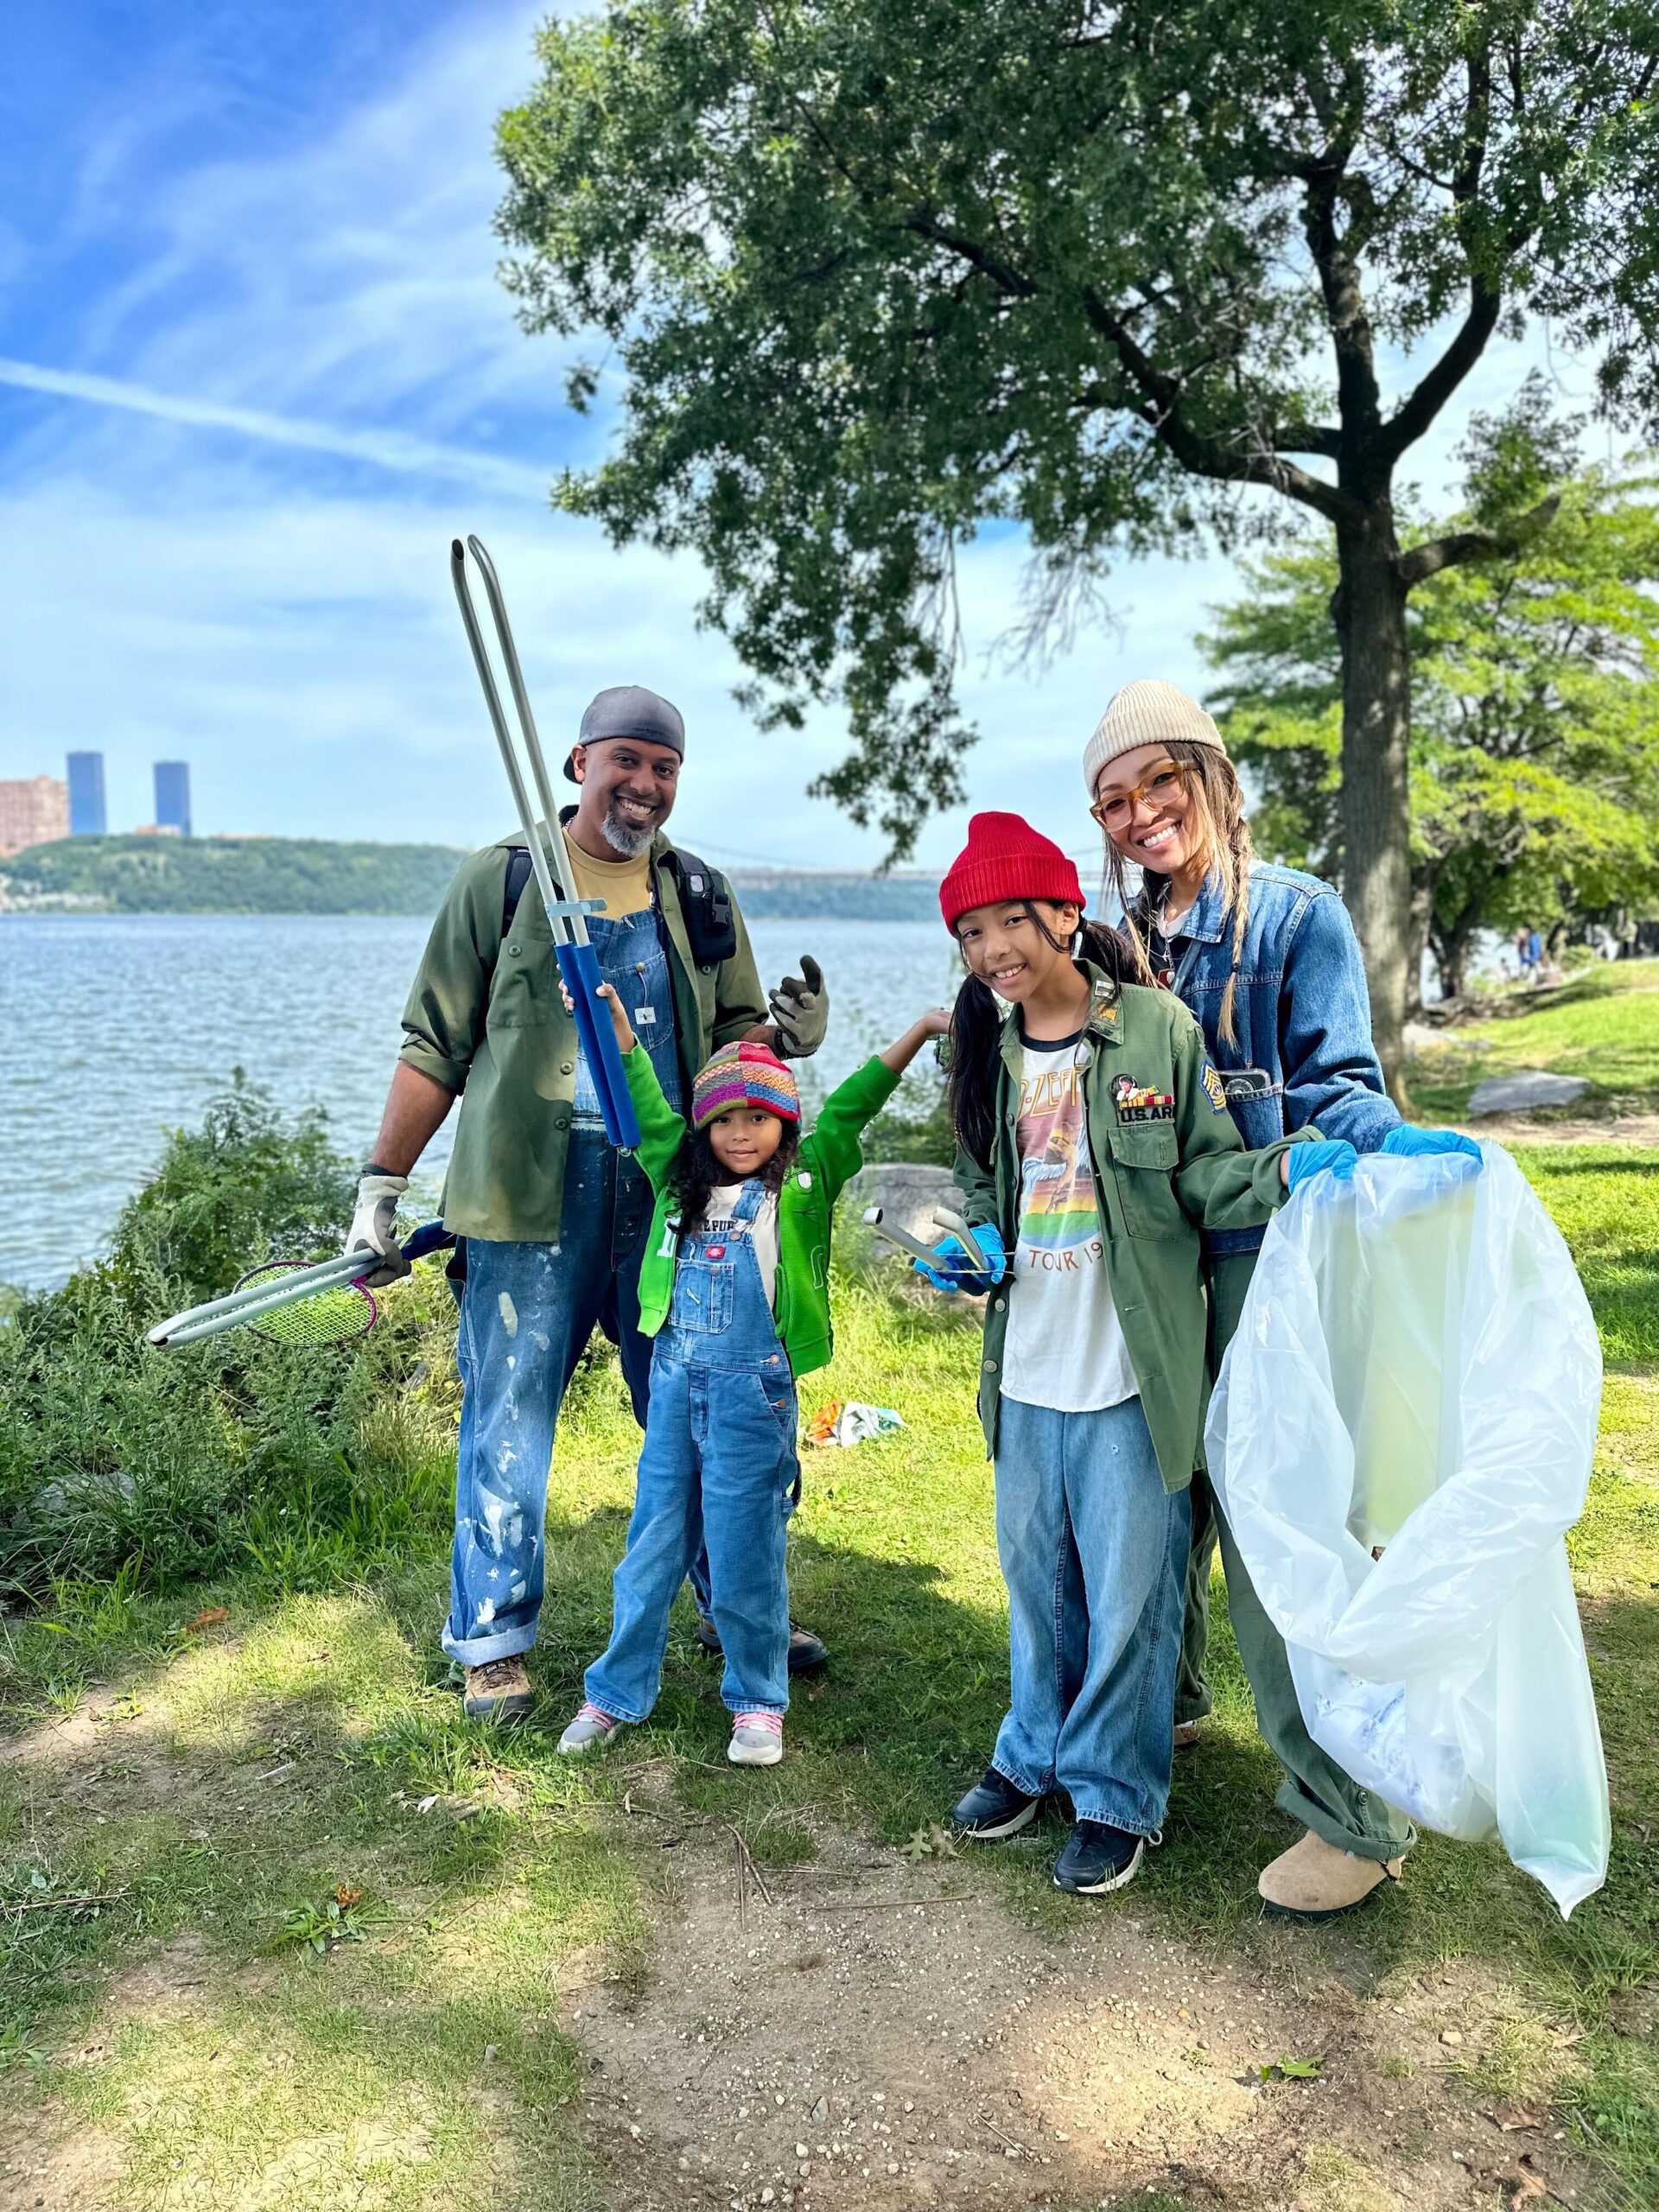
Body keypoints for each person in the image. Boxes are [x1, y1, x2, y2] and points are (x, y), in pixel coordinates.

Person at [346, 684, 830, 1722]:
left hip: (670, 1198)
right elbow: (436, 1040)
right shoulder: (506, 876)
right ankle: (494, 1642)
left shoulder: (698, 891)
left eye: (663, 769)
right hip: (528, 1195)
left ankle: (736, 1605)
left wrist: (788, 1040)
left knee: (710, 1408)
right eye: (626, 761)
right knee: (509, 1416)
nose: (644, 785)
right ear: (578, 763)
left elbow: (739, 1043)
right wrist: (381, 1186)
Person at [1085, 677, 1479, 1916]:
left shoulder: (1293, 918)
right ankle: (1174, 1702)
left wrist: (1386, 1143)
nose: (1141, 814)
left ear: (1211, 779)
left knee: (1278, 1527)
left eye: (1160, 783)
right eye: (1114, 800)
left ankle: (1352, 1815)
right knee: (1165, 1494)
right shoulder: (1120, 937)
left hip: (1268, 1267)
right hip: (1153, 1267)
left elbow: (1337, 1084)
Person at [915, 812, 1327, 1897]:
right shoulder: (987, 1054)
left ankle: (1113, 1795)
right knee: (1036, 1580)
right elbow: (981, 1191)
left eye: (1013, 919)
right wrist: (970, 1245)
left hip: (1131, 1372)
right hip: (1024, 1366)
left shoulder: (1156, 1030)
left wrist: (1290, 1172)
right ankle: (1030, 1754)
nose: (995, 948)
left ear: (1064, 914)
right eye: (972, 931)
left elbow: (1204, 1173)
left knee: (1132, 1592)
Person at [557, 989, 952, 1766]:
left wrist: (921, 1031)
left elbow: (851, 1106)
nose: (741, 1134)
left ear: (785, 1126)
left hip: (754, 1395)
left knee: (745, 1553)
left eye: (759, 1118)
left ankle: (758, 1703)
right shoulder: (676, 1174)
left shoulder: (803, 1186)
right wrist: (618, 1033)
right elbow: (636, 1089)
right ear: (703, 1127)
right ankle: (611, 1694)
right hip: (675, 1387)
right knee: (651, 1550)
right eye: (726, 1120)